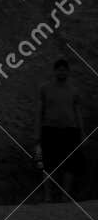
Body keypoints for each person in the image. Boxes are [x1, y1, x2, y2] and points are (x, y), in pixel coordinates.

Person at [38, 58, 85, 201]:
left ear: (68, 72)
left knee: (70, 165)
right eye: (59, 69)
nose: (62, 72)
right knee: (48, 164)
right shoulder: (44, 88)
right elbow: (40, 111)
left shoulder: (74, 90)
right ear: (54, 71)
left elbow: (77, 112)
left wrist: (82, 132)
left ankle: (65, 196)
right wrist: (36, 132)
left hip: (70, 130)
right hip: (49, 129)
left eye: (64, 70)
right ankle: (48, 196)